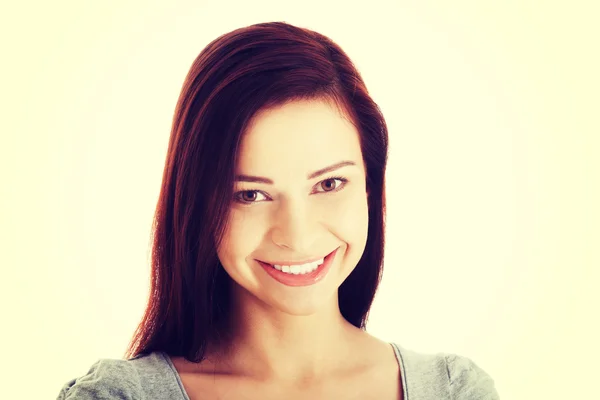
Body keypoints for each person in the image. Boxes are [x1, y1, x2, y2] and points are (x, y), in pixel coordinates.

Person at [57, 21, 499, 399]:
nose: (298, 235)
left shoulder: (451, 389)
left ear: (369, 185)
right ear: (197, 205)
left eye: (329, 184)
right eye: (250, 194)